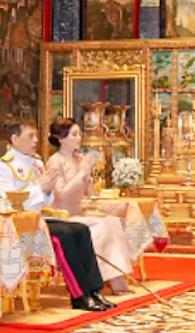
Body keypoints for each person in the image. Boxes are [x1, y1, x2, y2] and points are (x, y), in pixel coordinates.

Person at [0, 121, 114, 312]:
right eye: (30, 136)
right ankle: (79, 295)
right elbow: (7, 201)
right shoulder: (3, 167)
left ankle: (93, 290)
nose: (35, 141)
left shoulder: (37, 163)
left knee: (81, 230)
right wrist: (39, 187)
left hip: (39, 219)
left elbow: (46, 201)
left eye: (36, 136)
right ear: (15, 139)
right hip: (19, 226)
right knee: (64, 235)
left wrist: (46, 190)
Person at [45, 118, 135, 294]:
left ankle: (117, 278)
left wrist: (88, 176)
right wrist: (81, 173)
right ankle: (101, 280)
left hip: (78, 212)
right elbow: (61, 194)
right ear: (61, 138)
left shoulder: (78, 159)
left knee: (112, 222)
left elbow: (90, 193)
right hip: (62, 216)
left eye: (80, 134)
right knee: (100, 226)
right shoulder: (55, 161)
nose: (79, 138)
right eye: (74, 134)